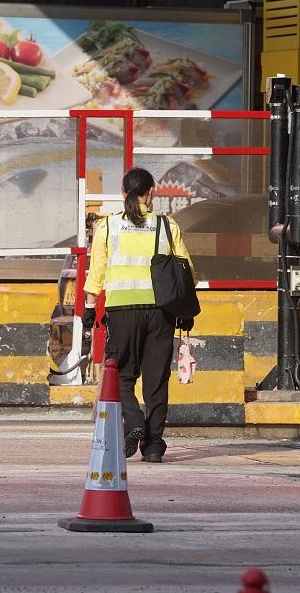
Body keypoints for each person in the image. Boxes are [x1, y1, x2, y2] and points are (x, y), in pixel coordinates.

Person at [84, 167, 194, 463]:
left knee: (122, 375)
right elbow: (186, 270)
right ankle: (155, 445)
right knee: (156, 380)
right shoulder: (166, 225)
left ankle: (134, 423)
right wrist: (185, 310)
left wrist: (89, 307)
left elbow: (97, 271)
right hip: (161, 311)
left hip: (122, 311)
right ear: (152, 193)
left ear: (123, 193)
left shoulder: (107, 226)